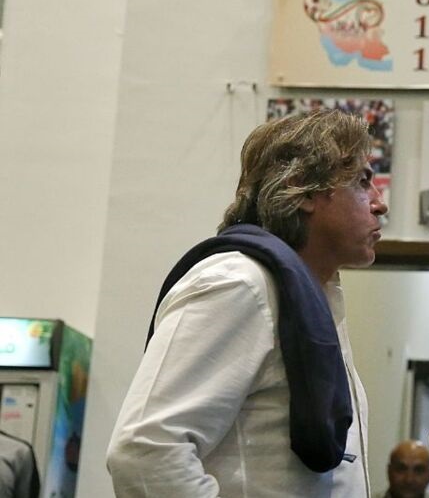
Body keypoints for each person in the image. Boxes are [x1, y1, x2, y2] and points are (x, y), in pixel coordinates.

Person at [107, 109, 389, 497]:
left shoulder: (311, 300)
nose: (379, 204)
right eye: (362, 182)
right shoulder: (239, 283)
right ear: (303, 189)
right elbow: (144, 452)